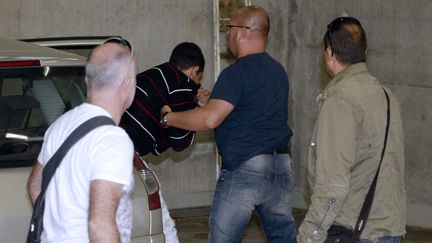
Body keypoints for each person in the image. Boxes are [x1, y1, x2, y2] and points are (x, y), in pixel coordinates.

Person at [160, 5, 296, 243]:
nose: (227, 34)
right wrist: (214, 100)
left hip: (246, 168)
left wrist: (168, 118)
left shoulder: (235, 73)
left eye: (229, 27)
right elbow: (252, 113)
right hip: (280, 167)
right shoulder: (277, 71)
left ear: (243, 31)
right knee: (282, 238)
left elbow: (210, 119)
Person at [297, 17, 406, 243]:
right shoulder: (387, 96)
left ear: (328, 53)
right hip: (388, 228)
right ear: (365, 51)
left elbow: (332, 184)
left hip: (353, 230)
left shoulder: (340, 100)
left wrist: (310, 235)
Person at [27, 37, 137, 243]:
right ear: (127, 82)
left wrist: (60, 225)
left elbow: (35, 186)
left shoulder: (60, 124)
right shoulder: (113, 139)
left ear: (87, 80)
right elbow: (100, 225)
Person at [121, 42, 209, 243]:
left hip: (117, 145)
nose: (197, 82)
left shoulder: (155, 74)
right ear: (195, 70)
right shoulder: (183, 84)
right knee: (161, 220)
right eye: (199, 77)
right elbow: (179, 141)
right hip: (129, 156)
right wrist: (199, 110)